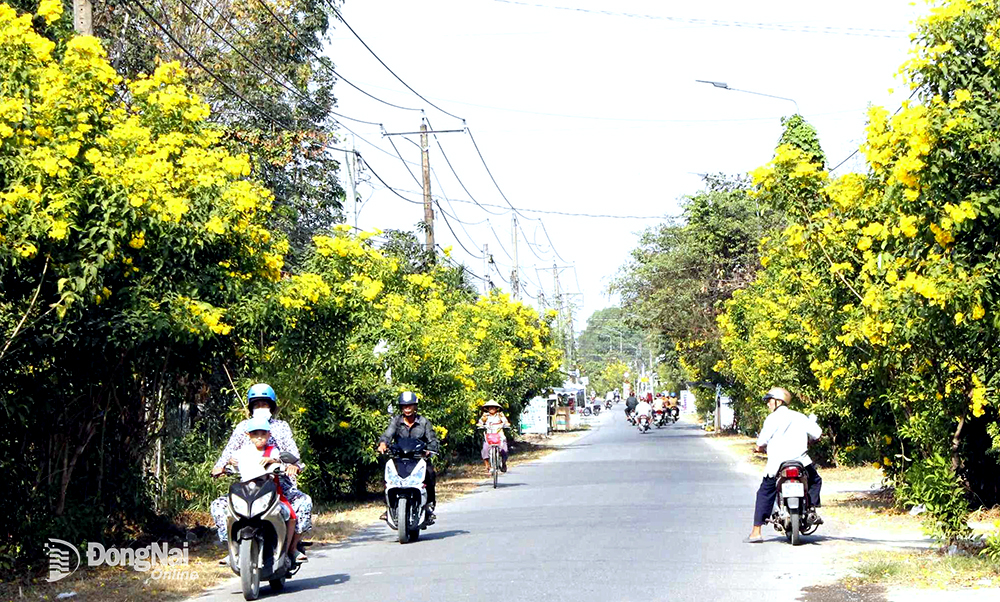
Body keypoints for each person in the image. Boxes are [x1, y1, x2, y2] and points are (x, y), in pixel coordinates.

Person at [210, 384, 312, 562]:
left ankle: (292, 548)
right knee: (219, 506)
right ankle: (233, 549)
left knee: (303, 503)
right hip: (247, 485)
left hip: (278, 483)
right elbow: (229, 452)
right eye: (257, 404)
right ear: (251, 407)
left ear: (272, 406)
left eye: (265, 404)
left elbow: (293, 455)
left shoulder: (281, 427)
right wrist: (220, 466)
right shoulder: (243, 427)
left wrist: (289, 465)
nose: (261, 408)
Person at [745, 387, 824, 544]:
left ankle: (756, 531)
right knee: (816, 481)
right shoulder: (800, 417)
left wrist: (758, 448)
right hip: (800, 462)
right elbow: (818, 433)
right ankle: (811, 509)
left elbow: (761, 442)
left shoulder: (772, 419)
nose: (768, 404)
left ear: (778, 401)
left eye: (769, 401)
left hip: (777, 465)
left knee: (765, 493)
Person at [235, 417, 299, 563]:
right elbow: (233, 460)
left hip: (271, 494)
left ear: (269, 435)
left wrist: (274, 461)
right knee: (230, 513)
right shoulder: (243, 451)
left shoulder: (273, 451)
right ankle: (233, 550)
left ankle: (285, 553)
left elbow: (280, 459)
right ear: (248, 435)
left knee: (291, 516)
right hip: (247, 493)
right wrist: (228, 464)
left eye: (263, 434)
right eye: (255, 434)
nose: (259, 437)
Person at [377, 391, 440, 522]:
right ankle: (389, 506)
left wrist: (430, 450)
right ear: (401, 407)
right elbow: (387, 435)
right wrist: (383, 444)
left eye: (410, 406)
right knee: (387, 476)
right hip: (399, 459)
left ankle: (428, 506)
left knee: (430, 473)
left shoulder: (423, 422)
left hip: (419, 458)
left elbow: (432, 439)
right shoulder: (396, 421)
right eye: (404, 406)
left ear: (415, 406)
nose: (407, 409)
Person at [477, 400, 511, 475]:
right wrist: (481, 425)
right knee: (485, 449)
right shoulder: (485, 416)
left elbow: (506, 422)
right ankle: (487, 465)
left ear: (496, 408)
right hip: (489, 436)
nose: (492, 409)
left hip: (499, 435)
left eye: (494, 407)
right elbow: (480, 423)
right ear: (488, 408)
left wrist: (506, 424)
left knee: (504, 450)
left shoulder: (500, 415)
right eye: (490, 407)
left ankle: (503, 463)